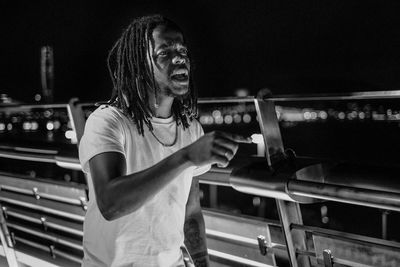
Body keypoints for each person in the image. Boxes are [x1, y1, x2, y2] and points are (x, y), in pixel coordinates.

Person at [79, 14, 250, 267]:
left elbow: (190, 212)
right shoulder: (108, 121)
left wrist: (202, 262)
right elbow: (110, 203)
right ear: (139, 65)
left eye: (182, 50)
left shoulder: (190, 129)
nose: (179, 57)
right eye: (164, 53)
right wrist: (186, 156)